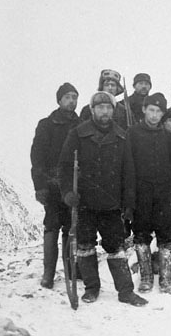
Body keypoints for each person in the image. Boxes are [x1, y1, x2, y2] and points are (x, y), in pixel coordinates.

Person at [57, 91, 147, 306]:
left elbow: (129, 172)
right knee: (86, 246)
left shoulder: (121, 136)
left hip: (111, 204)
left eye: (108, 107)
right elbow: (65, 167)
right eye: (100, 107)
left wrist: (129, 202)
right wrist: (68, 192)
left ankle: (126, 291)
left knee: (116, 248)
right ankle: (91, 288)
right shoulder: (78, 134)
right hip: (85, 203)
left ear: (113, 110)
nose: (104, 111)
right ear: (93, 110)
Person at [126, 93, 171, 294]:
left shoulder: (166, 135)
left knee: (166, 235)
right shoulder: (132, 133)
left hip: (163, 193)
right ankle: (146, 277)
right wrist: (130, 196)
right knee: (141, 235)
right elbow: (128, 165)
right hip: (141, 193)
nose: (154, 115)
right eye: (151, 110)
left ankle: (166, 280)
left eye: (159, 111)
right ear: (143, 110)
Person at [31, 82, 81, 289]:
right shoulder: (46, 124)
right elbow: (37, 157)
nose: (72, 101)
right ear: (59, 100)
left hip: (73, 183)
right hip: (52, 184)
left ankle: (71, 270)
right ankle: (48, 273)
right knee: (52, 225)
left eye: (75, 97)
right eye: (67, 97)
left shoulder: (81, 125)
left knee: (71, 227)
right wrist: (39, 185)